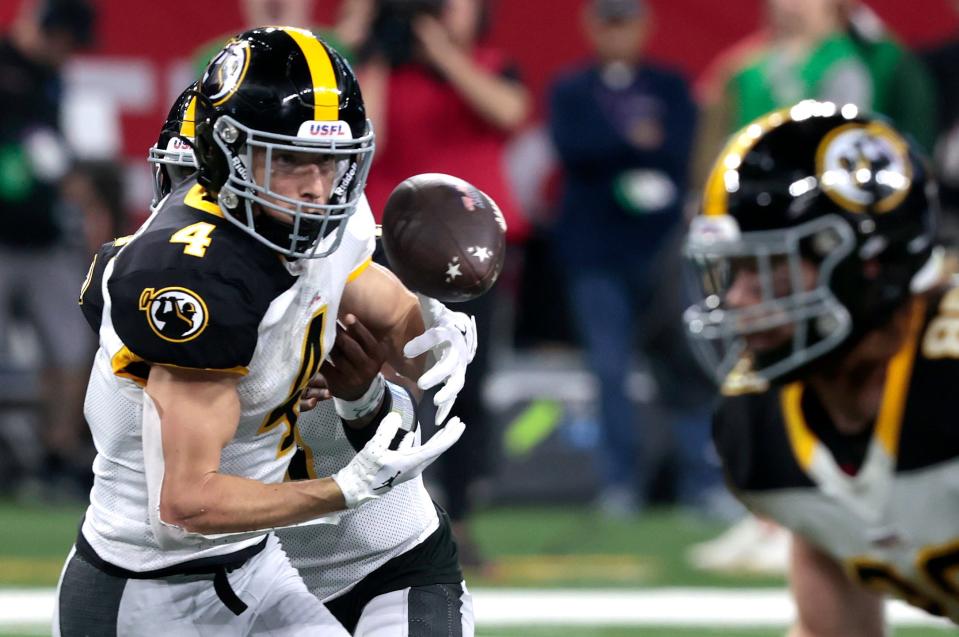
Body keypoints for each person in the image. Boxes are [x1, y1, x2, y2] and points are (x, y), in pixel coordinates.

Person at [57, 27, 475, 635]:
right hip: (152, 591)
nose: (316, 188)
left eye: (330, 164)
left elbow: (382, 308)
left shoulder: (318, 223)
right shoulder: (190, 278)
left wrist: (437, 329)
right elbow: (187, 504)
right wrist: (346, 487)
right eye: (290, 162)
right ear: (224, 158)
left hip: (256, 566)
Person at [683, 99, 959, 631]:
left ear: (869, 264)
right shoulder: (759, 426)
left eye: (771, 269)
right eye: (732, 271)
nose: (739, 299)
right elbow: (830, 575)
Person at [357, 0, 531, 565]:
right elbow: (366, 138)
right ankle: (379, 517)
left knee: (465, 386)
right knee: (376, 380)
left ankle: (461, 515)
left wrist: (443, 55)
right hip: (390, 242)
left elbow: (509, 111)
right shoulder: (383, 68)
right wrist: (376, 52)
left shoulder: (489, 63)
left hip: (470, 252)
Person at [547, 0, 703, 515]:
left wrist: (615, 147)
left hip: (660, 251)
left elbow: (678, 146)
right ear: (592, 26)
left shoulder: (669, 85)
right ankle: (621, 483)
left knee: (685, 364)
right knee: (609, 369)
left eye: (627, 22)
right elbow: (574, 148)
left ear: (644, 25)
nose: (618, 34)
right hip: (596, 252)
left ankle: (701, 481)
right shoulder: (571, 88)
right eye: (608, 22)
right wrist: (631, 142)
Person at [0, 0, 96, 497]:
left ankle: (56, 453)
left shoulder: (51, 81)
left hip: (43, 239)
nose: (68, 53)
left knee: (70, 344)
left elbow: (53, 151)